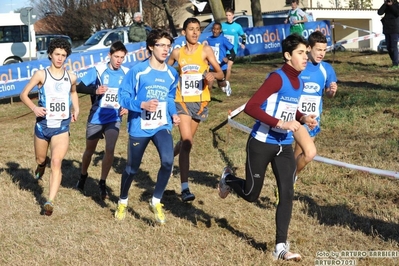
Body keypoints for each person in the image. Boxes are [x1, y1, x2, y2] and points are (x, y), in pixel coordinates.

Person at [217, 34, 317, 261]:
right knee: (252, 194)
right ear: (288, 56)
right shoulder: (276, 78)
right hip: (261, 143)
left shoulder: (299, 81)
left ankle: (280, 246)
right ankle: (229, 179)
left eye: (306, 52)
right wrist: (281, 123)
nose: (306, 56)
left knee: (287, 193)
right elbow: (252, 107)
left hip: (284, 145)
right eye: (301, 53)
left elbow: (287, 108)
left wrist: (302, 118)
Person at [114, 29, 180, 224]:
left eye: (169, 46)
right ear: (151, 47)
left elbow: (169, 97)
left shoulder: (171, 73)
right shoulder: (138, 71)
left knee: (168, 161)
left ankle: (156, 200)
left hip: (161, 124)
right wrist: (141, 105)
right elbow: (123, 97)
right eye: (161, 45)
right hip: (139, 126)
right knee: (132, 169)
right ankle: (123, 200)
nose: (166, 50)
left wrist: (174, 113)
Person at [20, 38, 79, 216]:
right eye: (57, 55)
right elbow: (23, 94)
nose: (60, 58)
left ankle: (49, 201)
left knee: (56, 161)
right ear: (50, 55)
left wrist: (76, 108)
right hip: (43, 125)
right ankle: (40, 167)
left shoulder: (71, 76)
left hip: (61, 126)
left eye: (63, 55)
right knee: (41, 160)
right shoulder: (41, 74)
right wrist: (35, 108)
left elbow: (74, 92)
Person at [167, 18, 223, 202]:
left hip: (200, 103)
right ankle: (185, 189)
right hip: (181, 101)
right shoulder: (177, 52)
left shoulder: (205, 50)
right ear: (184, 32)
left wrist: (212, 75)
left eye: (198, 29)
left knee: (184, 143)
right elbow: (164, 70)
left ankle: (167, 158)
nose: (195, 32)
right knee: (188, 142)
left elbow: (220, 73)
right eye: (191, 29)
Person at [75, 41, 129, 199]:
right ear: (109, 56)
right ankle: (83, 176)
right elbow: (79, 86)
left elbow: (130, 93)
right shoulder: (98, 70)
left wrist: (126, 106)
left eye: (122, 57)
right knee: (89, 151)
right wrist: (95, 90)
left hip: (114, 118)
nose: (119, 60)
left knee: (110, 149)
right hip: (97, 117)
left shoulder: (126, 72)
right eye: (116, 57)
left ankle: (102, 182)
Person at [294, 31, 337, 185]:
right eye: (318, 49)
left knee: (303, 153)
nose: (322, 54)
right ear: (309, 48)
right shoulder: (300, 66)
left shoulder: (327, 69)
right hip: (294, 116)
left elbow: (328, 94)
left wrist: (331, 92)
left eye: (324, 50)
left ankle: (290, 177)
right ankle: (289, 180)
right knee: (302, 151)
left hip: (313, 119)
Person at [205, 22, 236, 95]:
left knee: (221, 85)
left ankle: (226, 84)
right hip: (212, 65)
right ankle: (207, 97)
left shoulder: (223, 39)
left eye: (217, 29)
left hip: (221, 66)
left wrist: (227, 58)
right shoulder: (209, 39)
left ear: (220, 30)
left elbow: (232, 52)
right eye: (214, 29)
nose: (215, 31)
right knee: (209, 83)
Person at [222, 8, 246, 96]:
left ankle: (227, 83)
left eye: (229, 15)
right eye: (227, 15)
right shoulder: (222, 26)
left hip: (232, 50)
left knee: (228, 67)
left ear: (233, 16)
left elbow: (243, 36)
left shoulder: (237, 26)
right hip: (223, 50)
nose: (228, 17)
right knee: (222, 68)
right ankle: (223, 82)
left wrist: (243, 43)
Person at [378, 0, 399, 70]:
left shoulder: (397, 5)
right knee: (389, 47)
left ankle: (396, 63)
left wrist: (391, 5)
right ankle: (395, 61)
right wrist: (385, 4)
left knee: (394, 47)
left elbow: (397, 13)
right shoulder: (386, 5)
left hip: (395, 29)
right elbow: (379, 12)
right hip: (387, 29)